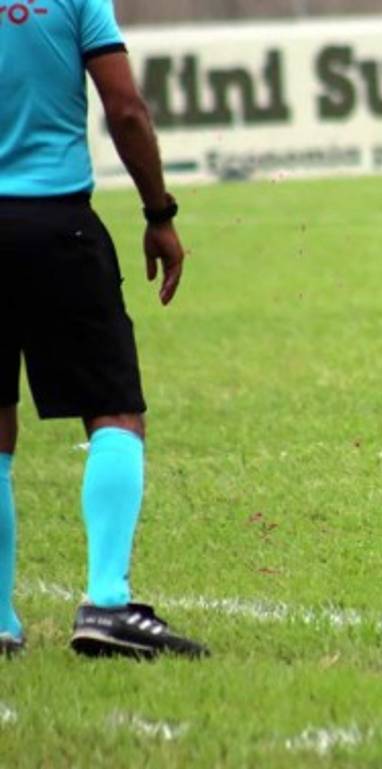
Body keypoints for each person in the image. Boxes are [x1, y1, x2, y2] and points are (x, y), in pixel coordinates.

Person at [1, 0, 207, 658]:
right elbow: (124, 108)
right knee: (114, 410)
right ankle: (107, 603)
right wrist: (159, 210)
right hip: (58, 224)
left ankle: (0, 619)